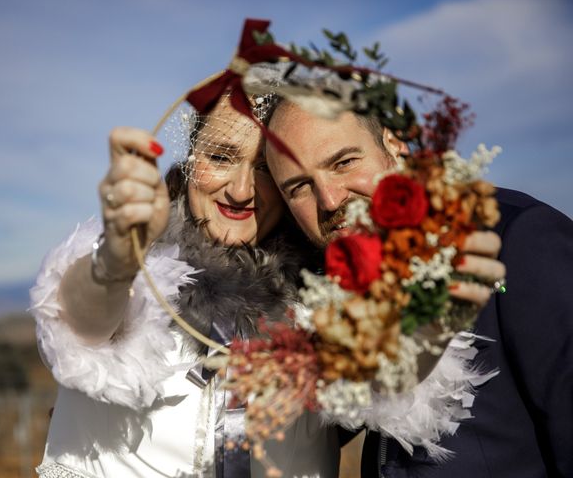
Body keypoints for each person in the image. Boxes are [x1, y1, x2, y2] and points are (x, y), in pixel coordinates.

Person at [30, 94, 340, 478]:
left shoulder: (329, 295)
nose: (241, 191)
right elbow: (80, 325)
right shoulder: (137, 264)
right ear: (191, 160)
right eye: (221, 157)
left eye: (264, 168)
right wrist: (117, 259)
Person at [264, 100, 573, 477]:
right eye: (299, 187)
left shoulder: (517, 241)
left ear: (393, 145)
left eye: (344, 162)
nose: (330, 199)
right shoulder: (343, 297)